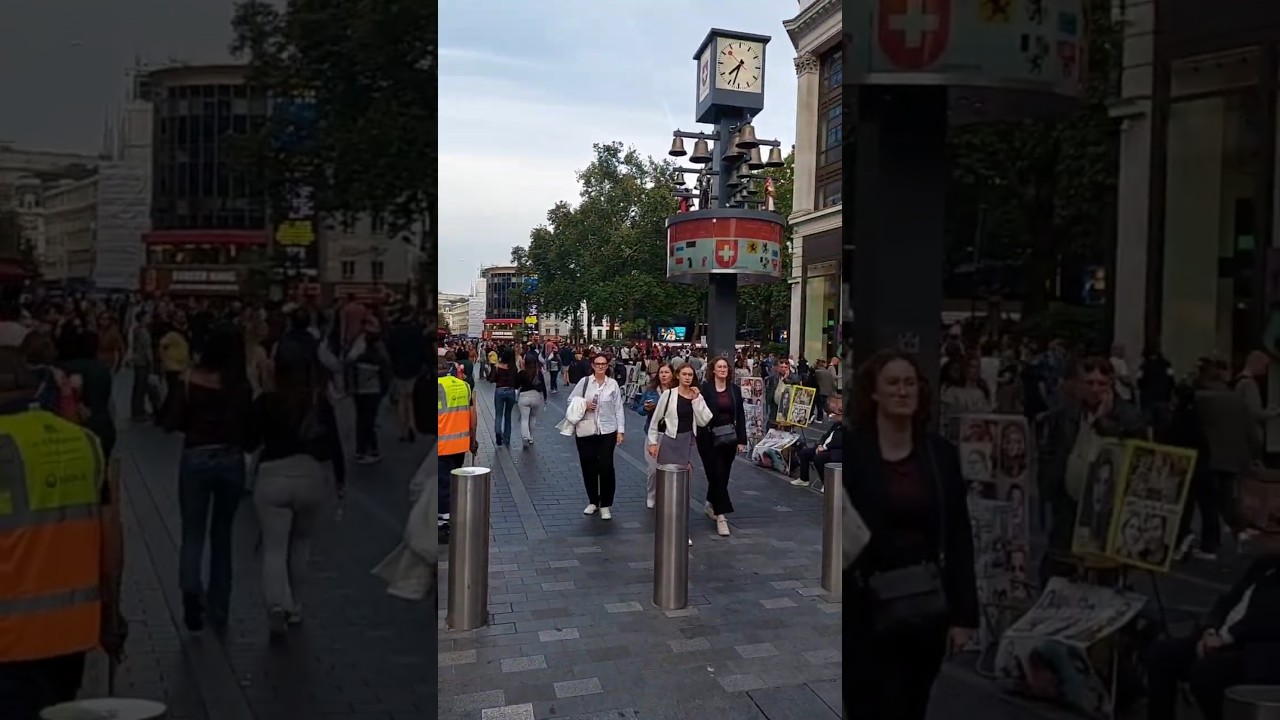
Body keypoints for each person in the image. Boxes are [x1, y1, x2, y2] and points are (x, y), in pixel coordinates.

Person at [843, 349, 979, 720]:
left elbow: (958, 534)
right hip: (865, 608)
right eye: (892, 383)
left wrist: (964, 615)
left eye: (909, 383)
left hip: (923, 604)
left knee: (911, 705)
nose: (902, 391)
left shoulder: (939, 454)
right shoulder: (856, 452)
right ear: (874, 392)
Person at [0, 327, 126, 719]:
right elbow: (110, 541)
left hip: (9, 641)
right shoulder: (84, 441)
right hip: (71, 633)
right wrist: (111, 613)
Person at [246, 350, 343, 635]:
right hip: (310, 475)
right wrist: (340, 482)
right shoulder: (317, 401)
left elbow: (249, 440)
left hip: (272, 475)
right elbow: (335, 444)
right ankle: (297, 605)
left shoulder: (266, 400)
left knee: (274, 549)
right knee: (301, 544)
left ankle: (278, 604)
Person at [166, 322, 254, 631]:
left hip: (196, 456)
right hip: (230, 458)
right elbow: (248, 426)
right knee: (222, 536)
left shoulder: (189, 380)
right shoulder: (239, 384)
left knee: (192, 533)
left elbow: (172, 420)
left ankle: (191, 588)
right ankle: (220, 607)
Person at [1038, 356, 1146, 585]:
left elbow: (1138, 451)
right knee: (1056, 568)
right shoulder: (1067, 413)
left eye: (1101, 384)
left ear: (1111, 384)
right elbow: (1051, 450)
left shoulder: (1128, 415)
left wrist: (1102, 421)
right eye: (1089, 383)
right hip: (1068, 503)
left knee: (1104, 573)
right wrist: (1050, 485)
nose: (1095, 389)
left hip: (1107, 507)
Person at [1144, 554, 1280, 720]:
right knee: (1162, 653)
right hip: (1226, 637)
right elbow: (1226, 601)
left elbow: (1265, 618)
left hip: (1260, 650)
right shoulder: (1264, 564)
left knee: (1207, 672)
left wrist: (1224, 639)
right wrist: (1210, 629)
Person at [647, 362, 712, 545]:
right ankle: (666, 527)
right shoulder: (668, 395)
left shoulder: (695, 396)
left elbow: (704, 419)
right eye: (684, 374)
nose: (687, 377)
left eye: (690, 375)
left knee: (684, 489)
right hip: (670, 442)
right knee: (667, 487)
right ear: (678, 375)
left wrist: (697, 400)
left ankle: (682, 529)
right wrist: (652, 443)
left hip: (687, 443)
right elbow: (656, 419)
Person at [568, 352, 626, 520]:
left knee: (606, 466)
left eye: (604, 364)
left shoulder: (612, 384)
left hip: (607, 430)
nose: (600, 366)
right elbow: (571, 400)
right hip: (586, 430)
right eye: (597, 364)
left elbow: (618, 408)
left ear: (607, 366)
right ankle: (593, 500)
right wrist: (584, 404)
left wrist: (620, 430)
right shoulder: (585, 382)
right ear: (592, 365)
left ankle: (606, 504)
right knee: (588, 466)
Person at [696, 356, 746, 537]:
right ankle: (721, 515)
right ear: (713, 370)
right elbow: (699, 412)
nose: (723, 369)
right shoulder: (706, 389)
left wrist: (742, 440)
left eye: (725, 366)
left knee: (723, 475)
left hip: (729, 438)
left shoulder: (734, 390)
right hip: (708, 438)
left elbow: (740, 415)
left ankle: (711, 502)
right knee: (715, 473)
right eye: (719, 367)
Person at [437, 352, 478, 543]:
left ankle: (445, 524)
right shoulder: (464, 386)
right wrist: (473, 439)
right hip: (460, 444)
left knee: (441, 485)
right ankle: (452, 517)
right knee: (452, 483)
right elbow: (472, 415)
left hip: (440, 445)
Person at [346, 317, 391, 464]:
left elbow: (349, 369)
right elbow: (386, 374)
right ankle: (369, 449)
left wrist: (350, 387)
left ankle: (364, 449)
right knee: (369, 420)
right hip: (373, 391)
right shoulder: (378, 357)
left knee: (362, 419)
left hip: (360, 391)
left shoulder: (357, 355)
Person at [641, 363, 676, 508]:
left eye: (666, 372)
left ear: (672, 375)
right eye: (661, 372)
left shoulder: (677, 392)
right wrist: (645, 407)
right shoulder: (651, 390)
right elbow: (639, 409)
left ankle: (667, 495)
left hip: (671, 435)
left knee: (670, 468)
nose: (663, 375)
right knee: (653, 469)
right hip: (653, 434)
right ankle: (651, 495)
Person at [793, 396, 843, 489]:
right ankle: (804, 479)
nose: (831, 417)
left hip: (836, 451)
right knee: (805, 453)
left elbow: (838, 442)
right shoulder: (836, 425)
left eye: (833, 415)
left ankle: (827, 484)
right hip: (824, 448)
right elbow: (825, 436)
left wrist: (825, 448)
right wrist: (820, 445)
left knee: (819, 458)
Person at [515, 353, 547, 446]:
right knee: (533, 418)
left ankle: (525, 436)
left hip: (524, 396)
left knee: (524, 419)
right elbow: (543, 386)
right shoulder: (538, 372)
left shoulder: (521, 372)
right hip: (536, 396)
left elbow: (516, 386)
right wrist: (545, 398)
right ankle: (531, 437)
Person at [490, 348, 517, 447]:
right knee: (508, 415)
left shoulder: (498, 366)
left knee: (498, 414)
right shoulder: (513, 367)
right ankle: (507, 438)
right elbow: (516, 381)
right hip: (511, 391)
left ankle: (498, 432)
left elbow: (492, 379)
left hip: (500, 390)